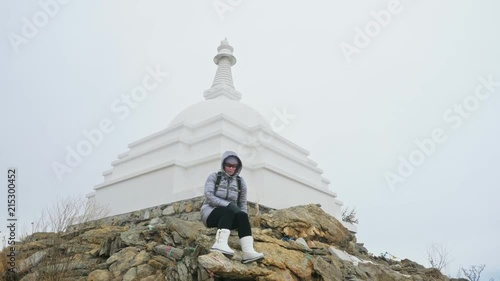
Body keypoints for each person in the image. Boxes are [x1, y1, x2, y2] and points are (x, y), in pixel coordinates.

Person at [200, 151, 264, 264]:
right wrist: (229, 205)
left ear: (237, 167)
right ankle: (220, 244)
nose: (230, 168)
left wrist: (241, 219)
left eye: (234, 166)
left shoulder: (240, 182)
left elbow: (242, 203)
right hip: (210, 213)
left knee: (243, 215)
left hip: (230, 215)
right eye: (228, 165)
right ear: (223, 164)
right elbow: (209, 196)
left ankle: (248, 251)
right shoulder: (214, 176)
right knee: (229, 210)